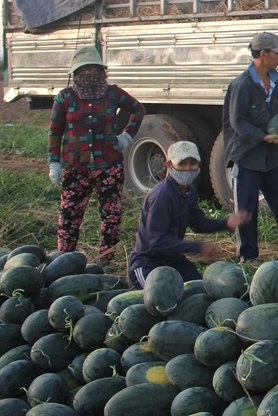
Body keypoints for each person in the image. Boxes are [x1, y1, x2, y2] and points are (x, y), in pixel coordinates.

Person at [48, 46, 145, 261]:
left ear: (101, 71)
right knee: (69, 216)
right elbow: (55, 132)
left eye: (93, 69)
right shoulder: (65, 97)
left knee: (111, 216)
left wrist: (127, 136)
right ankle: (65, 261)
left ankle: (107, 261)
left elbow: (138, 109)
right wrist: (53, 163)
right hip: (75, 167)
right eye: (83, 70)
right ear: (75, 73)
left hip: (109, 165)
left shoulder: (114, 94)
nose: (88, 74)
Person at [222, 31, 278, 261]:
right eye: (277, 53)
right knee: (247, 208)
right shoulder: (241, 85)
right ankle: (248, 255)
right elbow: (237, 121)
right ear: (264, 54)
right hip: (248, 155)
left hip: (271, 155)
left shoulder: (276, 81)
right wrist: (263, 137)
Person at [128, 141, 250, 289]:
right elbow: (157, 240)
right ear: (169, 165)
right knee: (160, 300)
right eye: (182, 164)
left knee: (202, 289)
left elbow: (198, 223)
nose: (187, 169)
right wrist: (198, 247)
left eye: (193, 163)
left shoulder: (189, 191)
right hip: (148, 263)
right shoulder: (162, 197)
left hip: (172, 260)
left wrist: (227, 223)